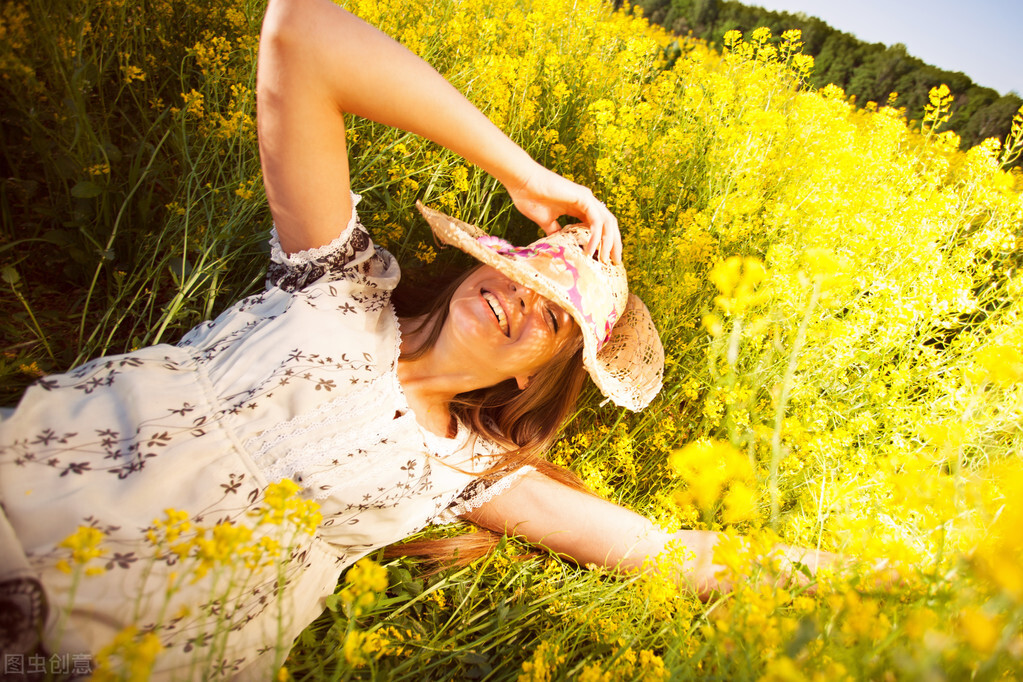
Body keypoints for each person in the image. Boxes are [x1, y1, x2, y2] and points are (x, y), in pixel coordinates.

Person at [0, 0, 838, 678]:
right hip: (34, 485)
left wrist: (871, 578)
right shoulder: (337, 282)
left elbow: (662, 552)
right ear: (481, 265)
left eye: (553, 318)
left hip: (137, 646)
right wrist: (526, 176)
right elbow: (301, 31)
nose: (521, 300)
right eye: (523, 272)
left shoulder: (470, 469)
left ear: (534, 379)